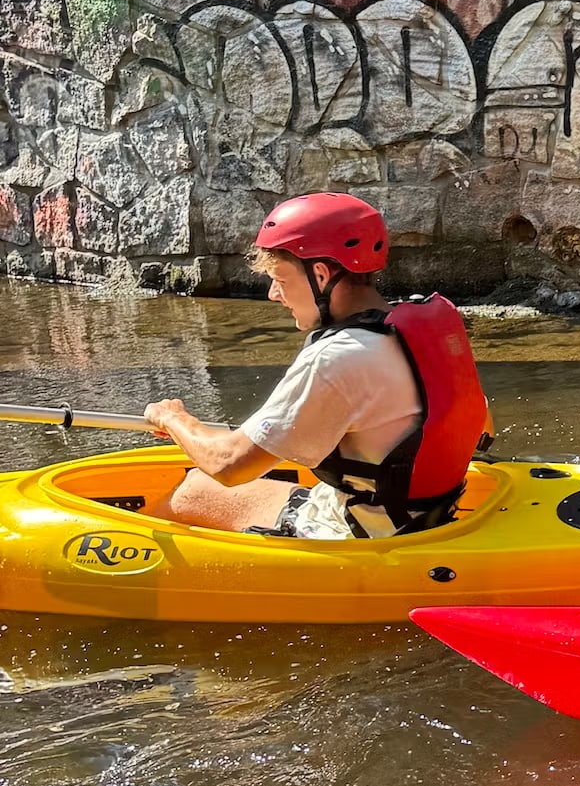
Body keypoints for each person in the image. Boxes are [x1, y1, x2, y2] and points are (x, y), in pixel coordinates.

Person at [143, 193, 491, 539]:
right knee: (208, 482)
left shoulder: (336, 357)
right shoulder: (424, 330)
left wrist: (172, 418)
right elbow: (482, 428)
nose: (273, 296)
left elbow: (228, 465)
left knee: (195, 489)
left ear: (321, 275)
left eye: (280, 280)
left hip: (365, 535)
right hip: (426, 516)